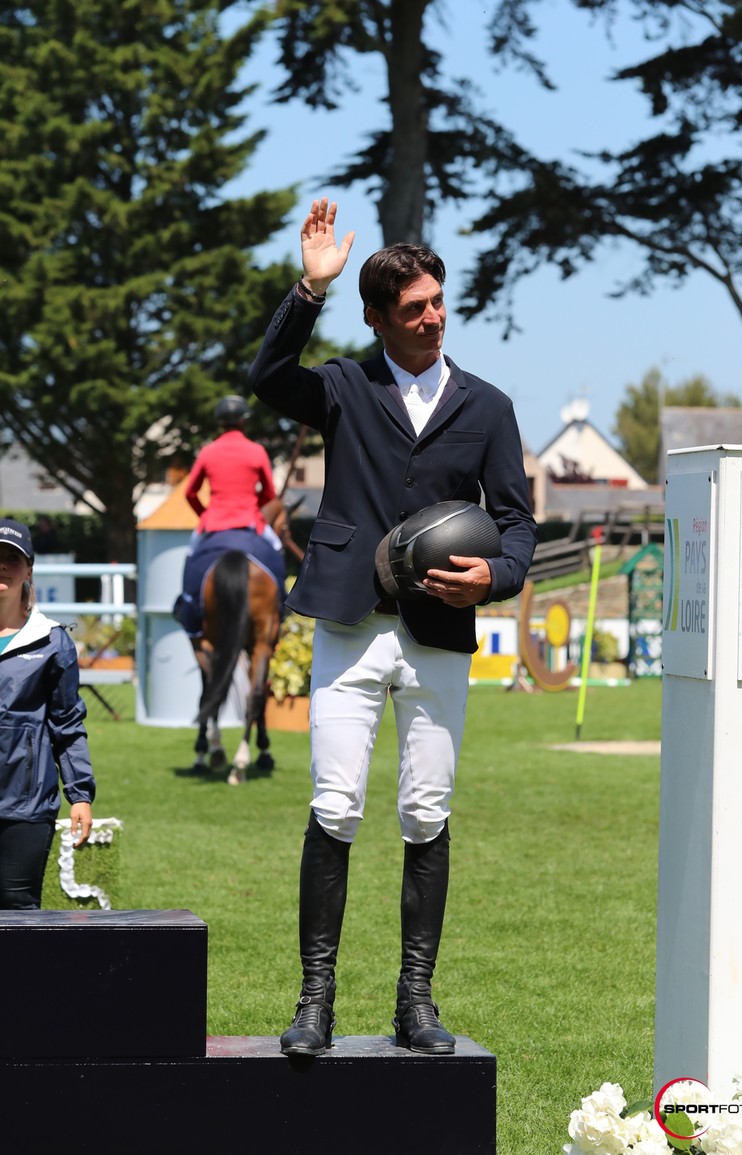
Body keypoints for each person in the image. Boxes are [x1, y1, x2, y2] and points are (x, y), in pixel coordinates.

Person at [249, 198, 538, 1057]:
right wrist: (310, 287)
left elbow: (518, 524)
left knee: (426, 811)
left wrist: (493, 575)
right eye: (414, 308)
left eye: (439, 301)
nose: (433, 317)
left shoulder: (488, 406)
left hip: (439, 635)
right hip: (347, 622)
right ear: (378, 318)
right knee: (334, 806)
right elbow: (267, 376)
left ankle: (416, 1003)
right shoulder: (343, 384)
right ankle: (315, 1004)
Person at [0, 517, 95, 909]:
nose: (2, 565)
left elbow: (67, 724)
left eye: (12, 558)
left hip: (27, 804)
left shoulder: (53, 642)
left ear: (28, 570)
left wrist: (80, 794)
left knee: (18, 913)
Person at [173, 394, 286, 637]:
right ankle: (281, 606)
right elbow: (269, 493)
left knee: (191, 557)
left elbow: (190, 493)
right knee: (276, 550)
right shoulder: (257, 451)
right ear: (244, 421)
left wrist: (206, 515)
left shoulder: (207, 451)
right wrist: (252, 506)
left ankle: (188, 605)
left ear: (220, 423)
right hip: (250, 523)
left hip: (214, 524)